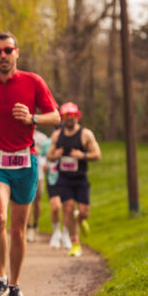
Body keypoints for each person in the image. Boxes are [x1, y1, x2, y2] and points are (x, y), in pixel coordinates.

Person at [0, 31, 60, 296]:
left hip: (25, 160)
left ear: (16, 52)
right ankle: (0, 277)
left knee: (18, 230)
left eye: (7, 50)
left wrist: (32, 117)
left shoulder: (33, 81)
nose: (3, 56)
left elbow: (55, 116)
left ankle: (15, 287)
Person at [47, 102, 101, 257]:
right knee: (68, 208)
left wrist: (82, 156)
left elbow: (97, 154)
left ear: (77, 116)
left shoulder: (86, 134)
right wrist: (55, 156)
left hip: (81, 179)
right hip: (64, 179)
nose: (68, 119)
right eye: (65, 116)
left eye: (71, 115)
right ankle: (75, 242)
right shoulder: (57, 135)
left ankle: (80, 217)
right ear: (62, 118)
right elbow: (49, 156)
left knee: (84, 212)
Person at [27, 129, 51, 242]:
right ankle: (28, 227)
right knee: (27, 201)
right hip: (25, 173)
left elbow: (48, 154)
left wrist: (47, 164)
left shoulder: (42, 138)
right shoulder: (20, 134)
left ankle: (36, 224)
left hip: (39, 174)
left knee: (37, 201)